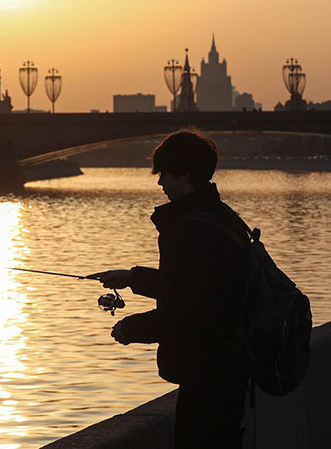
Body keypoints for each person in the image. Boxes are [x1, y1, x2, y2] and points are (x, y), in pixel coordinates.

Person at [88, 129, 251, 448]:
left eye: (163, 173)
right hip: (231, 366)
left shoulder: (189, 230)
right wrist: (133, 277)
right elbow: (195, 288)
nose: (160, 182)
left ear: (184, 173)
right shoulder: (221, 217)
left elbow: (184, 313)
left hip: (206, 370)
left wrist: (128, 328)